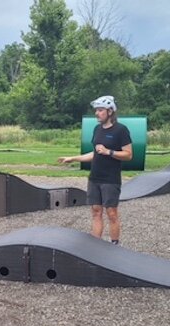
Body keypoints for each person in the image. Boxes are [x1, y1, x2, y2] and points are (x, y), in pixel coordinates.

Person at [58, 95, 132, 244]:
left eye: (100, 110)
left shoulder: (121, 130)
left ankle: (114, 244)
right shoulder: (97, 129)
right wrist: (73, 158)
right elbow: (95, 154)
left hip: (110, 179)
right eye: (96, 110)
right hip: (95, 178)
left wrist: (109, 152)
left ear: (110, 111)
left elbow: (128, 155)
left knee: (111, 213)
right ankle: (95, 246)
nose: (97, 113)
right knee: (96, 212)